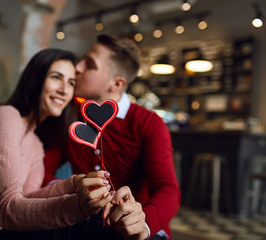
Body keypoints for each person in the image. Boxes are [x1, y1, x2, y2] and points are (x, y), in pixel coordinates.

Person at [0, 49, 116, 240]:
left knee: (100, 223)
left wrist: (73, 184)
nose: (64, 90)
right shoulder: (4, 115)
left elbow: (27, 199)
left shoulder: (35, 144)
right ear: (35, 79)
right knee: (90, 225)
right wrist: (78, 207)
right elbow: (9, 209)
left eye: (71, 82)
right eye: (56, 77)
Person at [43, 35, 181, 239]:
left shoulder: (147, 123)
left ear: (116, 84)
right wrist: (72, 188)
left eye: (89, 65)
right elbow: (42, 170)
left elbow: (167, 189)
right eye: (82, 59)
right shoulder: (73, 116)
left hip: (138, 228)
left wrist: (144, 222)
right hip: (85, 225)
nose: (77, 67)